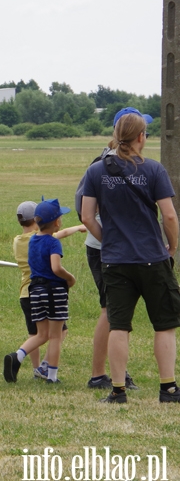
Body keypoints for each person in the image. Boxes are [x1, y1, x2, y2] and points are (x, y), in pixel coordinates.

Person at [81, 110, 180, 404]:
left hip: (115, 260)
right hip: (152, 258)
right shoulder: (154, 170)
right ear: (141, 137)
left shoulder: (96, 171)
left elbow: (87, 217)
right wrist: (171, 247)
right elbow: (170, 216)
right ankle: (169, 388)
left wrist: (109, 240)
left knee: (119, 325)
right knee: (164, 324)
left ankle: (118, 390)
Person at [4, 198, 76, 384]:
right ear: (57, 222)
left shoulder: (31, 240)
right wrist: (69, 278)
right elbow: (56, 268)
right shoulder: (52, 242)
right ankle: (51, 376)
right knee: (56, 336)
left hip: (32, 290)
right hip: (53, 290)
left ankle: (18, 356)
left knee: (40, 334)